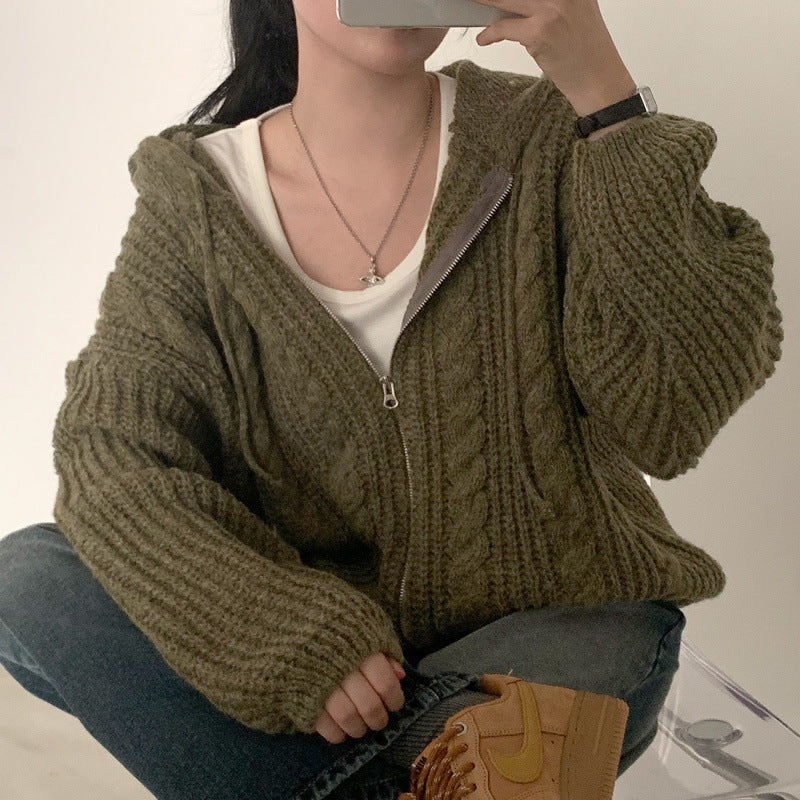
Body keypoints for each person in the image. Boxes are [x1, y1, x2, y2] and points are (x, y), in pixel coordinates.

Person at [0, 0, 783, 798]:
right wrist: (284, 638)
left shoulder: (549, 139)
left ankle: (341, 769)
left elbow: (673, 413)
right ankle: (460, 766)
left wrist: (606, 98)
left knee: (599, 653)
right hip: (319, 659)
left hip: (550, 631)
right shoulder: (197, 201)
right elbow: (114, 454)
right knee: (30, 578)